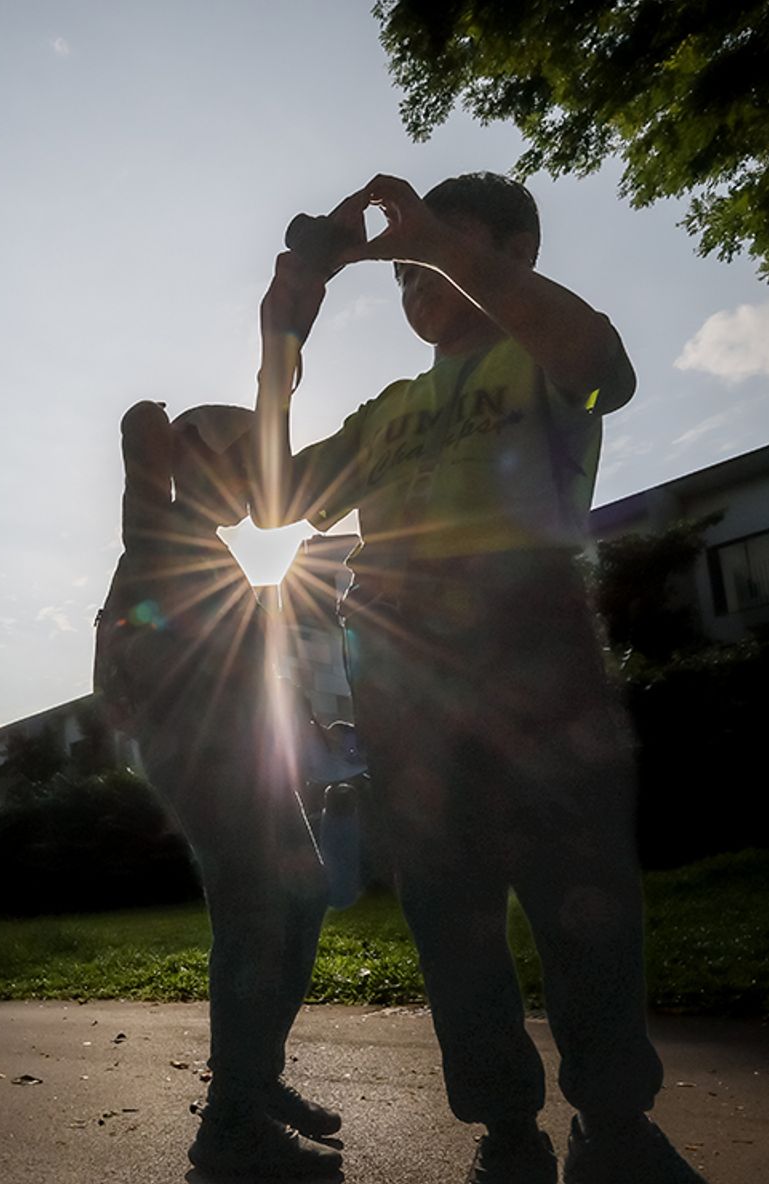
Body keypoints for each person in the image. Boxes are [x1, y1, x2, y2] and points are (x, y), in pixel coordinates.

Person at [255, 172, 704, 1183]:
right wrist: (282, 338)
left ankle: (613, 1107)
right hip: (405, 662)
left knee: (579, 885)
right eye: (403, 272)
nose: (414, 278)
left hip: (531, 634)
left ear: (512, 253)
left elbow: (605, 367)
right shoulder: (391, 408)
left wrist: (443, 247)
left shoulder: (535, 350)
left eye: (439, 255)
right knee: (449, 906)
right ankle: (503, 1116)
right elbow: (277, 500)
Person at [94, 401, 341, 1179]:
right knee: (256, 916)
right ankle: (233, 1118)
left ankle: (254, 1080)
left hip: (241, 751)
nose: (248, 492)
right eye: (242, 469)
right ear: (203, 462)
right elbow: (140, 463)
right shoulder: (162, 529)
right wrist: (155, 430)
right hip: (203, 756)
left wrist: (297, 723)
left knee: (299, 898)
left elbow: (241, 661)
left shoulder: (209, 551)